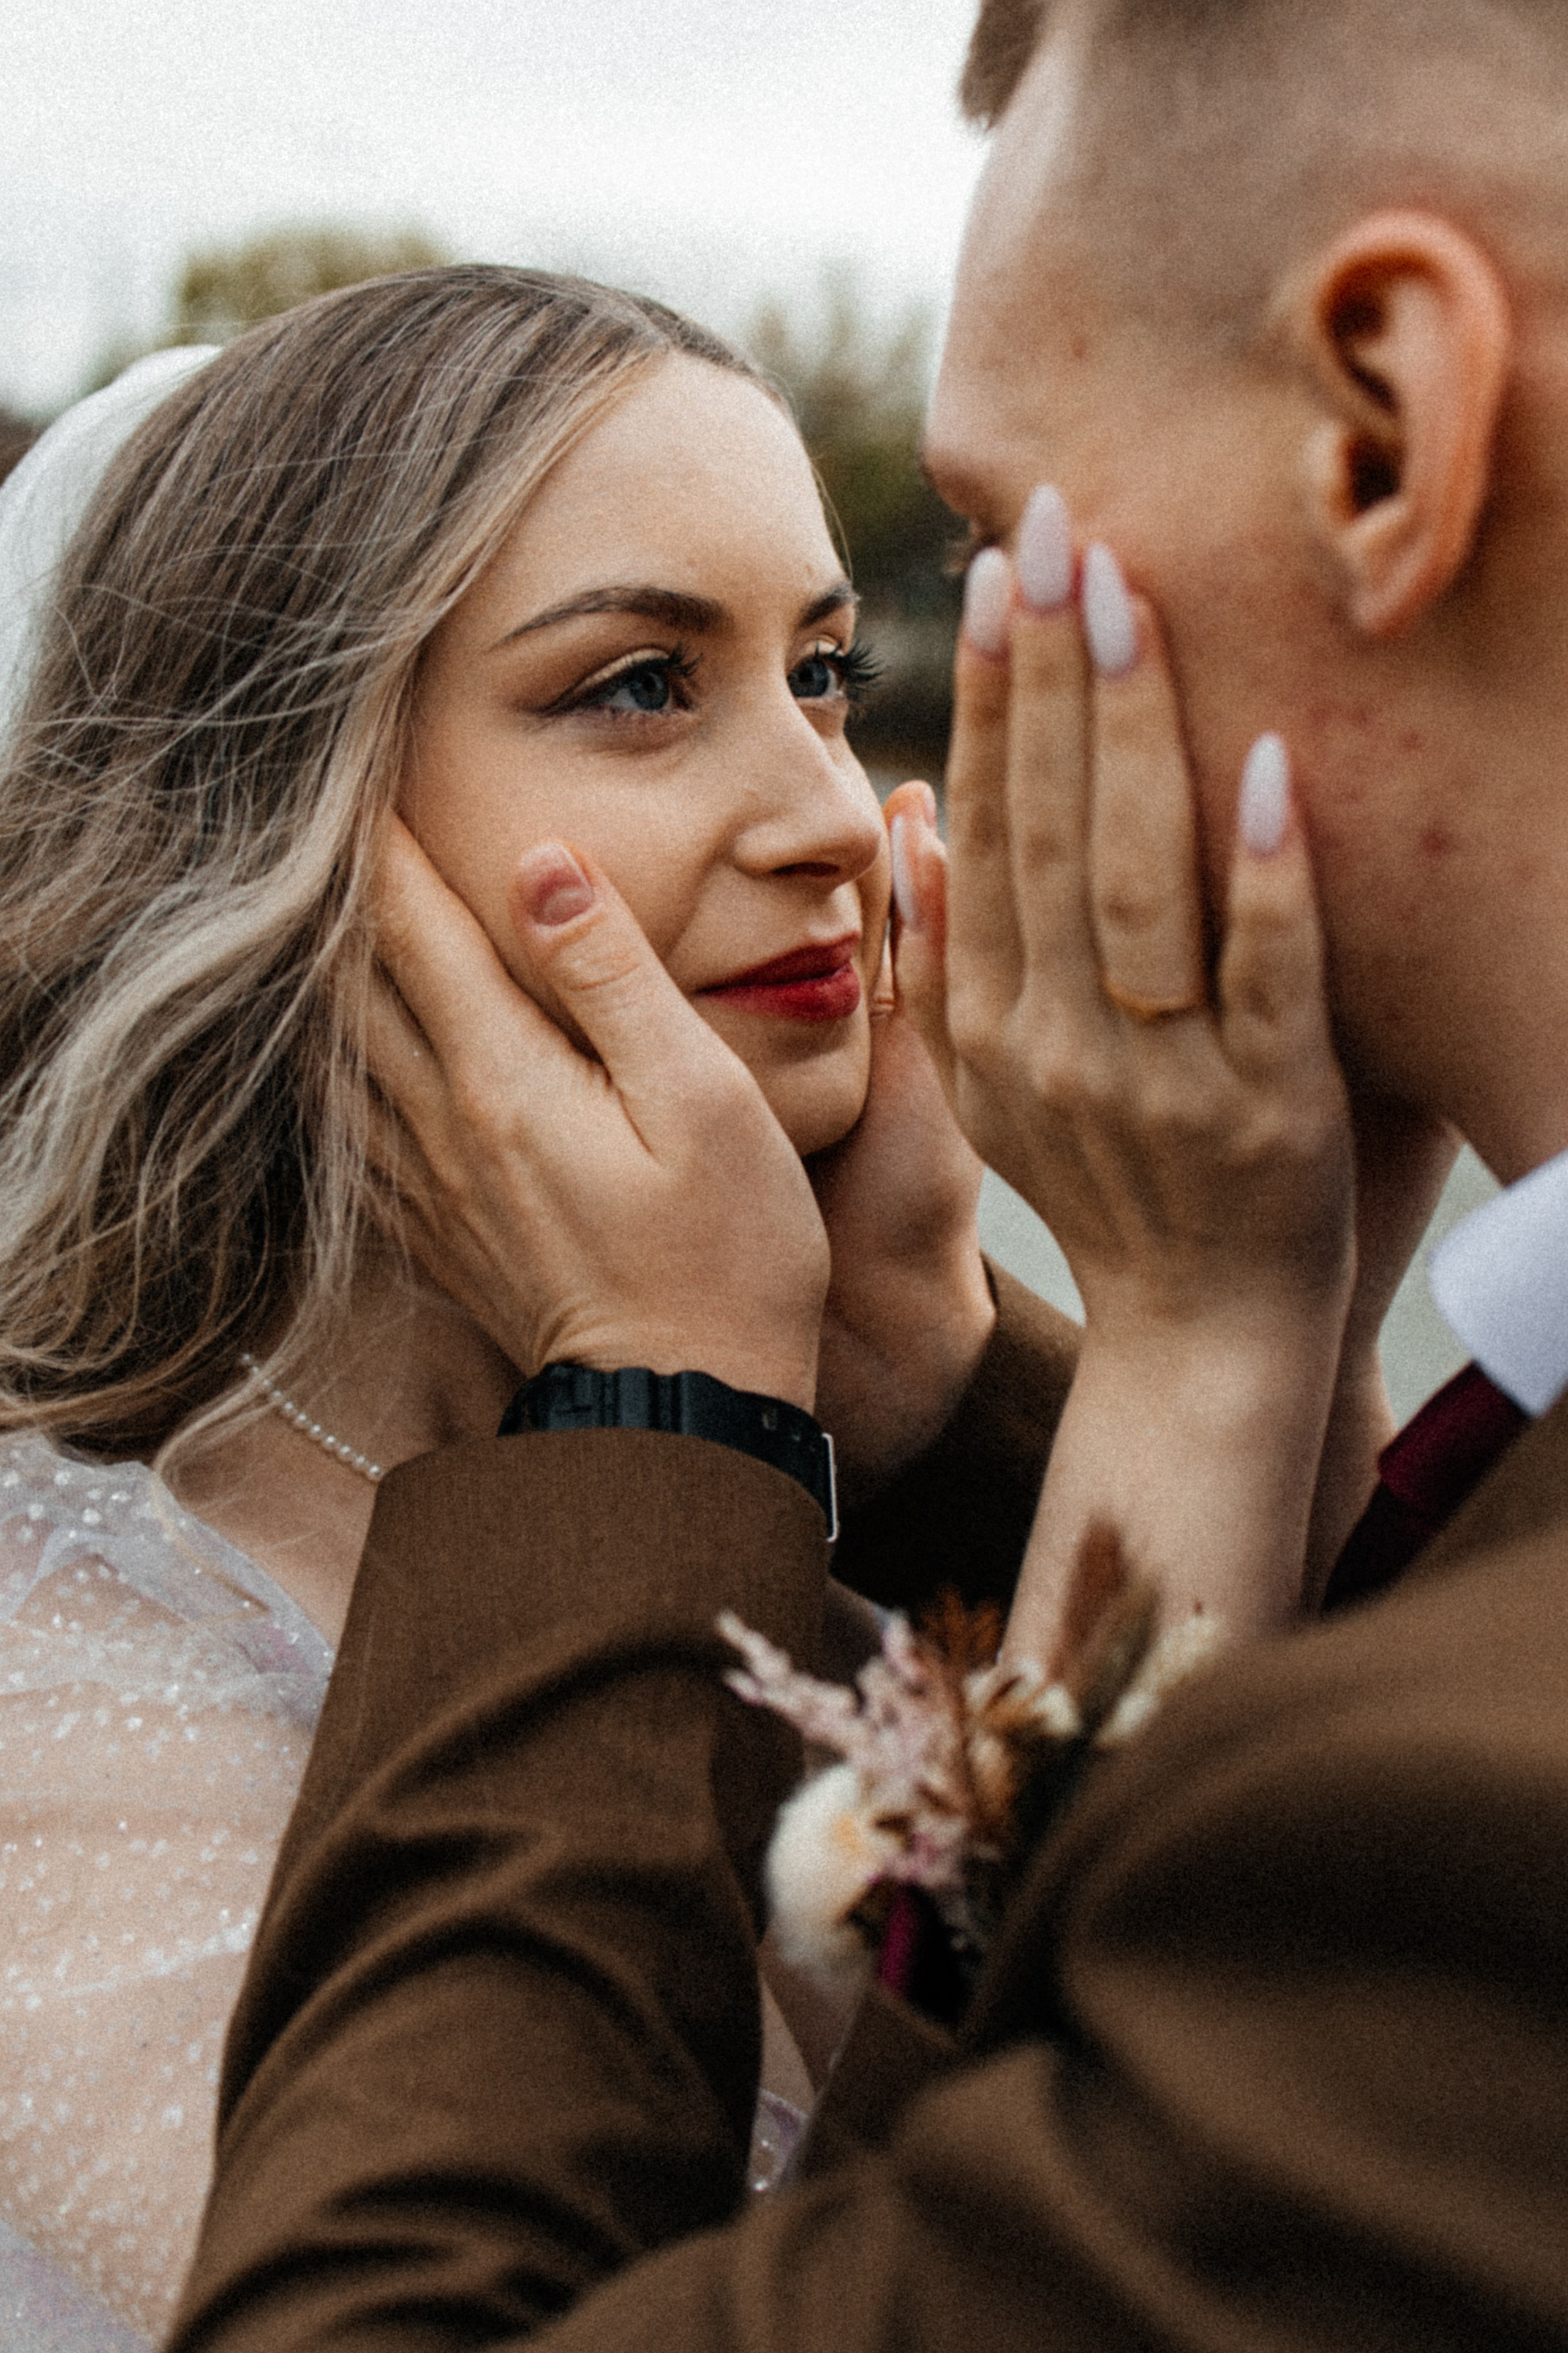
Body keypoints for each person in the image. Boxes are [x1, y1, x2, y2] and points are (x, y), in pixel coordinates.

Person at [164, 0, 1568, 2347]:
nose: (846, 803)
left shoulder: (1471, 1848)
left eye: (1001, 544)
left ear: (1386, 427)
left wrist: (662, 1425)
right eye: (639, 681)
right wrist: (1052, 1389)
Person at [0, 265, 1090, 2347]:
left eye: (827, 669)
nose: (836, 819)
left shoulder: (824, 1455)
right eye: (639, 688)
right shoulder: (53, 1721)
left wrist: (940, 1380)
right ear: (299, 811)